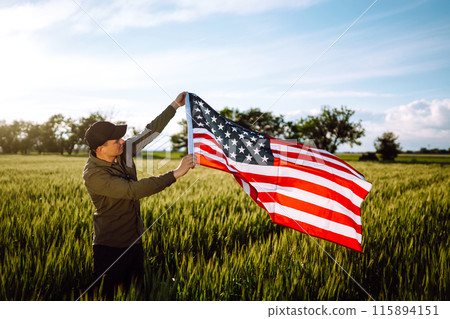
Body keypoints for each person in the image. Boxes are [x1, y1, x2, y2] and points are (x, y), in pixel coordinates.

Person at [82, 92, 195, 299]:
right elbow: (133, 191)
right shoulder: (94, 176)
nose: (123, 141)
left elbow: (149, 132)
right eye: (116, 140)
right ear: (100, 149)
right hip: (110, 248)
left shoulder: (123, 151)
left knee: (134, 296)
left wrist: (174, 106)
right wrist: (175, 173)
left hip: (135, 240)